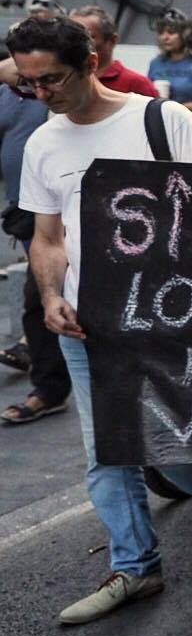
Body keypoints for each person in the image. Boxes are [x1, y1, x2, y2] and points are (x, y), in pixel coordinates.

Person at [9, 15, 192, 624]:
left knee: (165, 442)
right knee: (108, 449)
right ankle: (135, 567)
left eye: (52, 79)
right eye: (28, 84)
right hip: (88, 327)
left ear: (91, 62)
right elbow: (46, 235)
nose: (43, 94)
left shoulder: (162, 121)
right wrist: (51, 292)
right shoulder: (45, 141)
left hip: (166, 320)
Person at [0, 69, 67, 426]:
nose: (40, 92)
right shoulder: (38, 129)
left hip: (98, 227)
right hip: (39, 217)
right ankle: (49, 389)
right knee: (36, 300)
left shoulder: (133, 93)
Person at [67, 6, 158, 98]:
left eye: (88, 37)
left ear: (112, 40)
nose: (75, 43)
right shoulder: (64, 81)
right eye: (70, 37)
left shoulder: (137, 84)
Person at [146, 10, 192, 112]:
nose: (165, 37)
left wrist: (177, 108)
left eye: (171, 32)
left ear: (186, 35)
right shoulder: (156, 64)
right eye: (161, 33)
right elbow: (146, 96)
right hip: (161, 121)